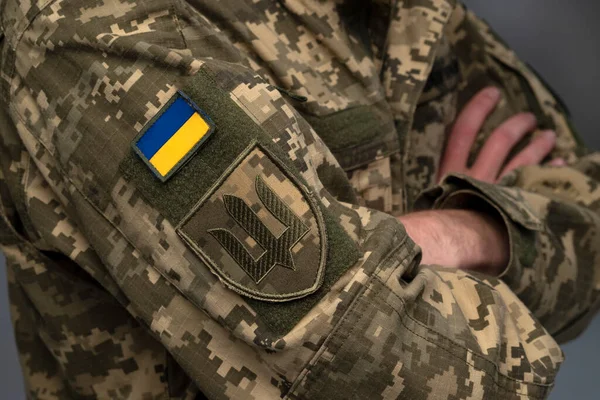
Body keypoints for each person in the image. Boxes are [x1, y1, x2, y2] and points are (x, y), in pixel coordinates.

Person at [0, 0, 597, 398]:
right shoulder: (92, 35)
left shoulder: (384, 11)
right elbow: (394, 369)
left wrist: (469, 229)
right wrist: (499, 234)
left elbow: (589, 229)